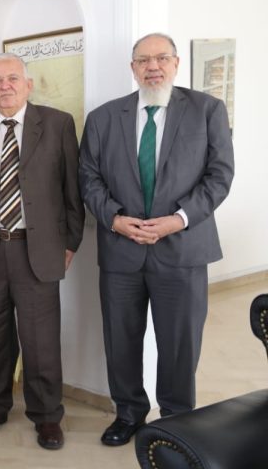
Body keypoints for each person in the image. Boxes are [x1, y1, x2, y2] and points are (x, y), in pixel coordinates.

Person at [79, 33, 235, 446]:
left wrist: (178, 219)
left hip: (183, 251)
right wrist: (114, 219)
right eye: (144, 60)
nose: (153, 66)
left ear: (176, 63)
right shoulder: (103, 118)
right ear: (132, 68)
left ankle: (177, 422)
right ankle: (128, 414)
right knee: (121, 340)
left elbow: (220, 176)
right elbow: (88, 178)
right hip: (121, 251)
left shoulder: (207, 110)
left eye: (162, 58)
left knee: (180, 344)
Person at [0, 53, 84, 450]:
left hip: (37, 251)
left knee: (40, 342)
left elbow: (72, 191)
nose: (5, 86)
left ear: (28, 85)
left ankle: (46, 416)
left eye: (12, 78)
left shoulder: (58, 125)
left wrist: (70, 242)